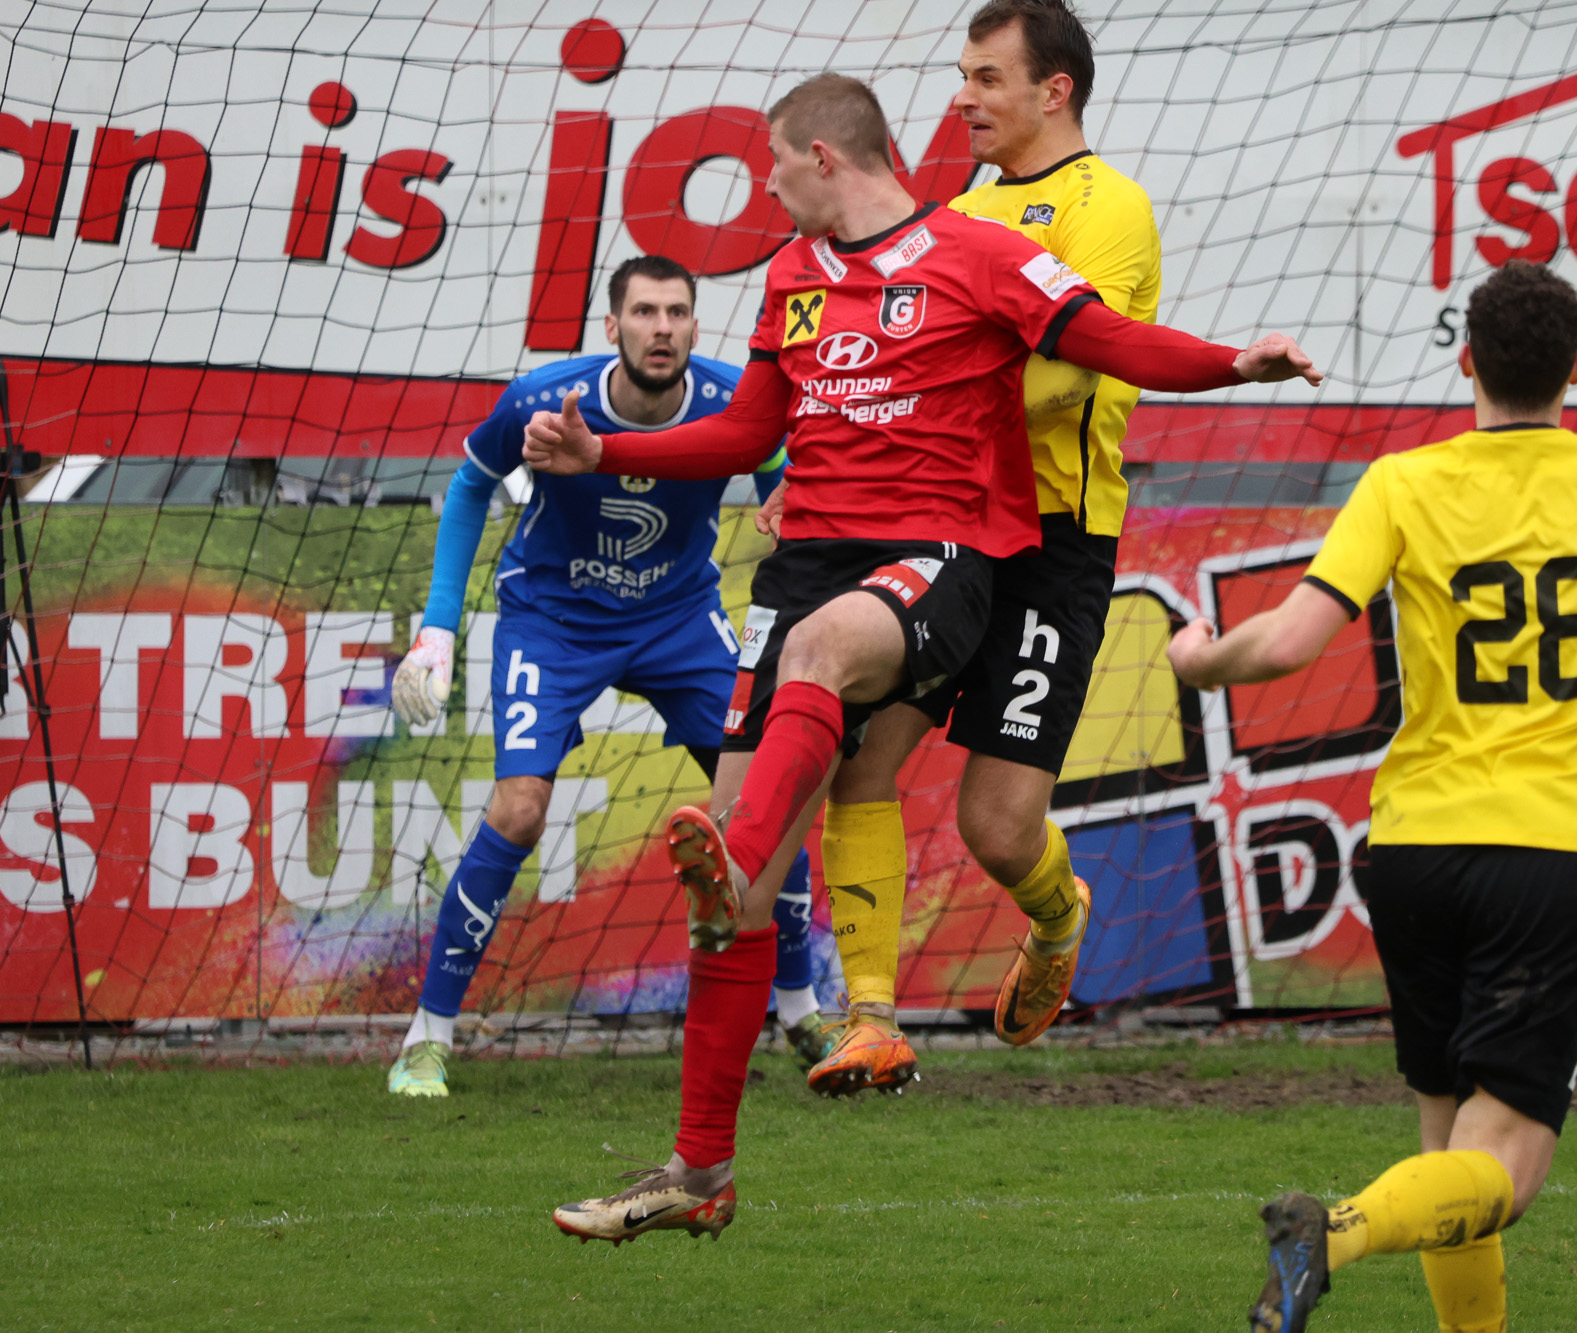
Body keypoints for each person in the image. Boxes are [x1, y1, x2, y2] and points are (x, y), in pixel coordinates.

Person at [523, 71, 1320, 1245]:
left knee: (822, 666)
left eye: (773, 165)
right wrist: (609, 456)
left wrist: (1232, 365)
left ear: (826, 158)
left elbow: (1106, 338)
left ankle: (743, 866)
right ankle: (698, 1172)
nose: (767, 185)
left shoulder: (977, 251)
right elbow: (751, 431)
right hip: (802, 568)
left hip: (940, 559)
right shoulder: (793, 276)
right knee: (737, 909)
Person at [1164, 260, 1577, 1333]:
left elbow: (1287, 640)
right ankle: (1331, 1231)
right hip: (1548, 852)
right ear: (1576, 369)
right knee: (1504, 1170)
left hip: (1416, 847)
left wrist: (1198, 660)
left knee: (1449, 1146)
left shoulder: (1401, 481)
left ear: (1464, 361)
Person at [772, 0, 1166, 1096]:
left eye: (987, 78)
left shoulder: (1110, 209)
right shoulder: (959, 209)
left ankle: (1056, 915)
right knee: (861, 756)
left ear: (1055, 91)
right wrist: (835, 452)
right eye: (961, 75)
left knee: (997, 829)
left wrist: (883, 422)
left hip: (1052, 540)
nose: (961, 97)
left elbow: (1070, 373)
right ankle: (870, 1018)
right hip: (939, 525)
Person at [384, 255, 824, 1099]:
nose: (663, 327)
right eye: (646, 312)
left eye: (678, 313)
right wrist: (439, 624)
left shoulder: (738, 400)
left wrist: (787, 512)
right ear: (613, 327)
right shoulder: (543, 400)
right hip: (553, 619)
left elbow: (784, 490)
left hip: (679, 619)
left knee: (774, 792)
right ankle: (426, 1036)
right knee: (518, 809)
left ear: (696, 328)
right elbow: (472, 482)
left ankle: (802, 1010)